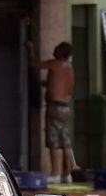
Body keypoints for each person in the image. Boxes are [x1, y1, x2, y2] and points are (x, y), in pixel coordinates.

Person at [29, 39, 77, 183]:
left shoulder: (54, 64)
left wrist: (29, 49)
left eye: (56, 48)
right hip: (65, 107)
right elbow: (68, 89)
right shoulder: (69, 69)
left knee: (54, 141)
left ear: (61, 52)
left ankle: (55, 173)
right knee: (65, 141)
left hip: (54, 107)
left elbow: (33, 64)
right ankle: (67, 174)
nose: (53, 50)